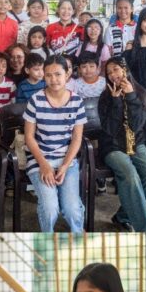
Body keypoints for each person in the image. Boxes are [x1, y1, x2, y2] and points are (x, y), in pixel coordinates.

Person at [23, 54, 86, 232]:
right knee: (51, 209)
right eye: (48, 75)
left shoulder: (76, 101)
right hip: (40, 160)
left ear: (67, 74)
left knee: (72, 210)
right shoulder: (36, 100)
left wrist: (65, 166)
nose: (53, 79)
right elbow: (29, 137)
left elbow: (77, 138)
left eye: (58, 74)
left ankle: (79, 237)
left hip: (67, 160)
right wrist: (44, 165)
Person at [97, 56, 146, 232]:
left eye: (116, 69)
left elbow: (137, 125)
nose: (113, 75)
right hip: (112, 146)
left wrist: (130, 96)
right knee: (130, 175)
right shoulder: (105, 97)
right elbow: (109, 129)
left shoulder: (141, 93)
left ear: (125, 70)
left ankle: (123, 216)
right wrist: (116, 101)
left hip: (136, 143)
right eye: (108, 73)